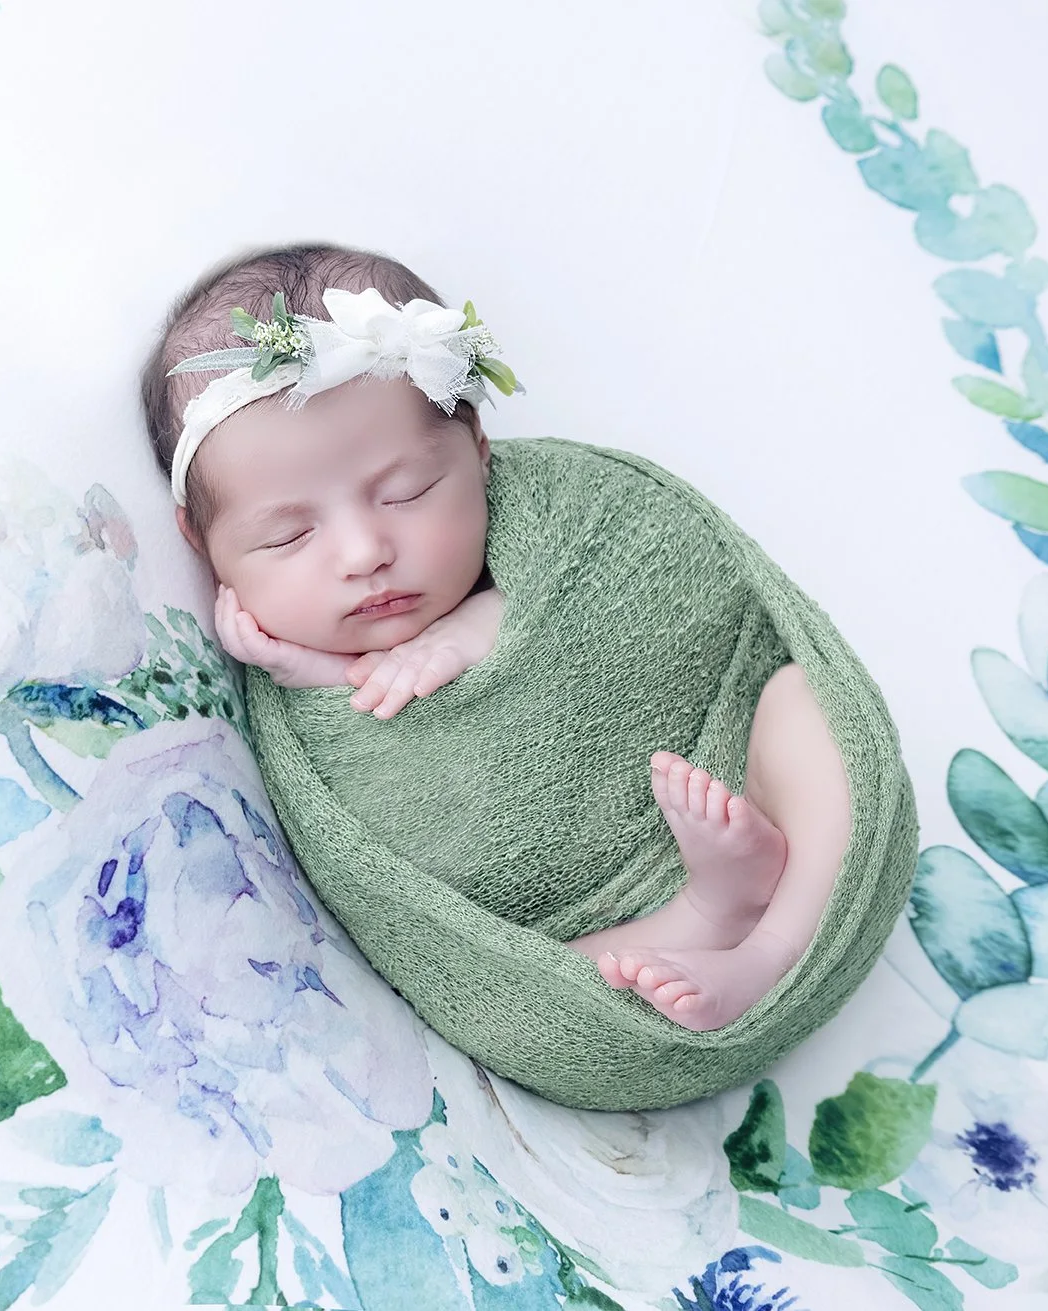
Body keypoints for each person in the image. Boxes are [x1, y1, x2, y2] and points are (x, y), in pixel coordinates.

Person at [138, 242, 852, 1034]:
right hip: (594, 930)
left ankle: (771, 948)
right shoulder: (278, 662)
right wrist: (307, 670)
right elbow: (381, 768)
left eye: (408, 491)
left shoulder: (569, 517)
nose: (364, 552)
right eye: (288, 537)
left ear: (477, 450)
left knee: (809, 699)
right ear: (202, 544)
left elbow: (640, 579)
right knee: (521, 982)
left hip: (746, 781)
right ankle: (713, 907)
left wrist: (477, 626)